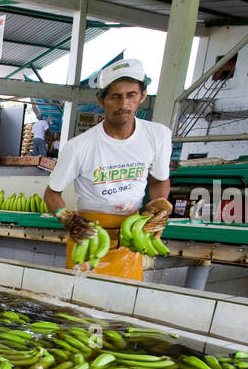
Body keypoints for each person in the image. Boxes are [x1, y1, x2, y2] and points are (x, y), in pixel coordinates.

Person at [43, 57, 174, 281]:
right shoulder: (79, 146)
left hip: (132, 233)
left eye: (131, 95)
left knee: (124, 302)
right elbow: (51, 194)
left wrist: (160, 204)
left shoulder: (158, 136)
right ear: (102, 101)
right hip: (89, 234)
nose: (124, 104)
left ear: (142, 96)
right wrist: (67, 218)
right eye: (115, 96)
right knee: (79, 303)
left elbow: (159, 180)